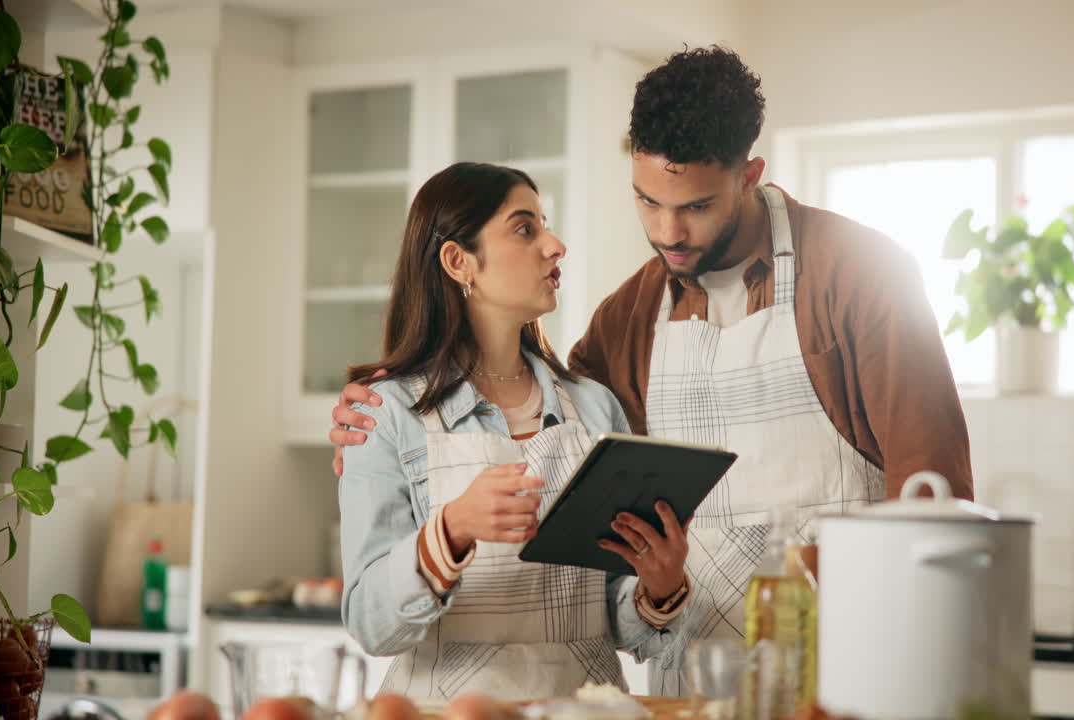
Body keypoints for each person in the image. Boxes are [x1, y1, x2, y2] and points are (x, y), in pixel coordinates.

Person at [332, 48, 973, 695]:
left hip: (842, 680)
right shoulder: (629, 316)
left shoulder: (860, 276)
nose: (669, 232)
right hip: (689, 691)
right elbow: (543, 433)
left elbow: (933, 502)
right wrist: (393, 404)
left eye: (695, 206)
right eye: (647, 201)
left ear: (748, 174)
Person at [338, 162, 693, 700]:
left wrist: (659, 588)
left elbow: (614, 621)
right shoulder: (383, 412)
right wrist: (451, 530)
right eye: (525, 228)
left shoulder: (595, 409)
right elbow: (369, 623)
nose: (555, 245)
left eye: (544, 224)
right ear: (459, 262)